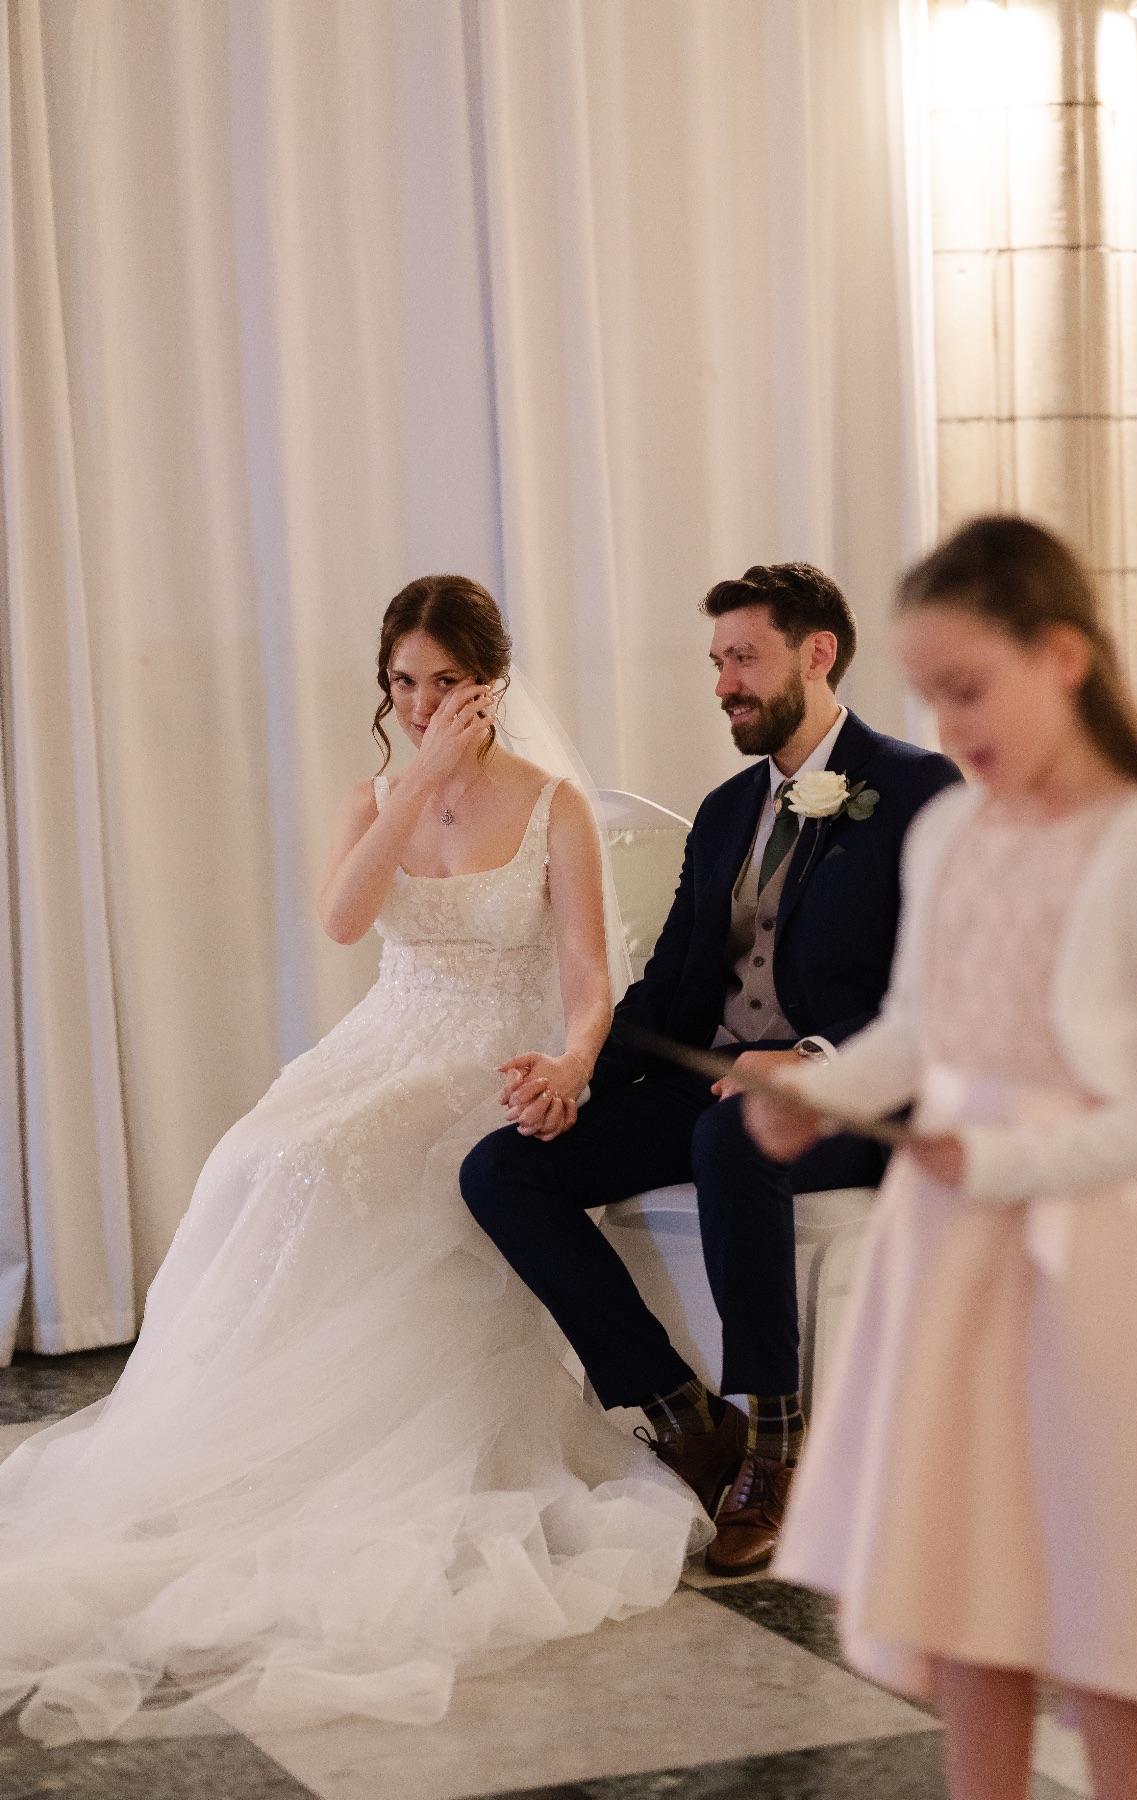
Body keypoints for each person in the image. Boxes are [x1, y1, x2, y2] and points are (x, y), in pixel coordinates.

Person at [0, 574, 706, 1745]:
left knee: (324, 1169)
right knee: (255, 1156)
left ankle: (355, 1442)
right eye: (403, 683)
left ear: (489, 682)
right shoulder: (375, 793)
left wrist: (574, 1062)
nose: (422, 703)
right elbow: (340, 919)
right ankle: (231, 1439)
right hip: (389, 1033)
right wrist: (416, 784)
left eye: (443, 682)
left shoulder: (552, 804)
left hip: (490, 1047)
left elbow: (591, 976)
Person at [745, 518, 1137, 1800]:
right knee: (973, 1589)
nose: (949, 725)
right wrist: (818, 1095)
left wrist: (1005, 1158)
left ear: (1062, 657)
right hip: (953, 1249)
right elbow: (922, 1027)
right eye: (929, 696)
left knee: (1112, 1601)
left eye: (968, 688)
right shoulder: (951, 833)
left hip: (1096, 1246)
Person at [461, 561, 960, 1576]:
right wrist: (578, 1069)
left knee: (734, 1129)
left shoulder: (918, 789)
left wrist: (812, 1058)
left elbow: (940, 986)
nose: (724, 682)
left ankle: (773, 1452)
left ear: (817, 655)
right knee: (501, 1169)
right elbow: (671, 985)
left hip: (852, 1097)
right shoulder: (730, 808)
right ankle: (687, 1423)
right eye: (717, 661)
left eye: (745, 658)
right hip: (712, 1082)